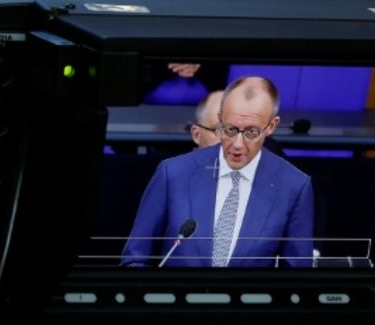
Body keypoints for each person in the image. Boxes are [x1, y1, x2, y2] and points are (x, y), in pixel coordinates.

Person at [122, 76, 314, 268]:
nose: (238, 144)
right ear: (221, 118)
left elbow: (297, 278)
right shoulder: (173, 173)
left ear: (271, 126)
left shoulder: (294, 186)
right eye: (230, 129)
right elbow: (135, 259)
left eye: (251, 133)